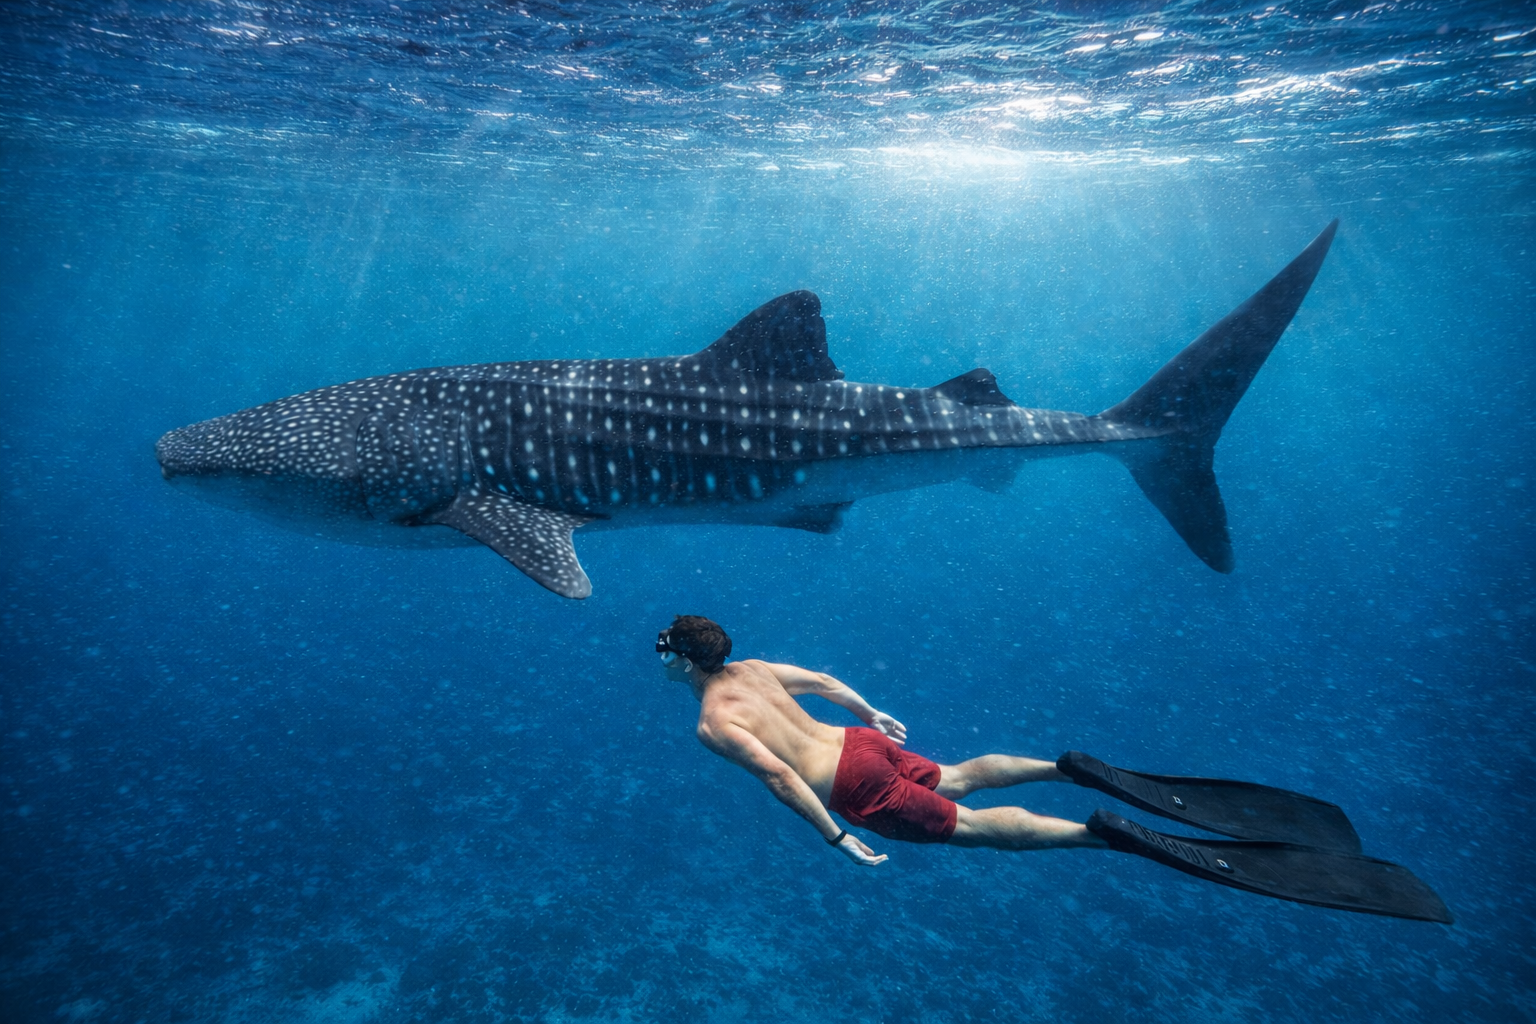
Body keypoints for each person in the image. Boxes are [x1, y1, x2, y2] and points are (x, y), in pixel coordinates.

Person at [656, 614, 1105, 865]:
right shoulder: (752, 668)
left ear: (688, 663)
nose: (661, 656)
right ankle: (1065, 770)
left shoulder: (714, 722)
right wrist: (871, 714)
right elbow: (821, 682)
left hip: (854, 786)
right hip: (861, 744)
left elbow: (779, 776)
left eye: (665, 650)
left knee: (971, 825)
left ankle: (1098, 837)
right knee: (958, 776)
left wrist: (837, 838)